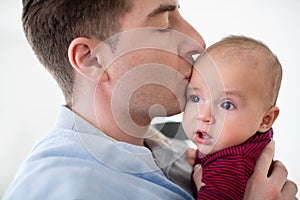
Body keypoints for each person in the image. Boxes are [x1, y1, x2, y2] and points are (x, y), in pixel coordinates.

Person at [3, 0, 297, 199]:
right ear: (92, 59)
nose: (198, 41)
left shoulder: (179, 150)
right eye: (164, 25)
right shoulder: (57, 189)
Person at [182, 35, 286, 199]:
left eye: (227, 105)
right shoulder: (236, 145)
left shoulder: (231, 168)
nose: (203, 115)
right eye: (196, 98)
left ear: (265, 120)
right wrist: (198, 158)